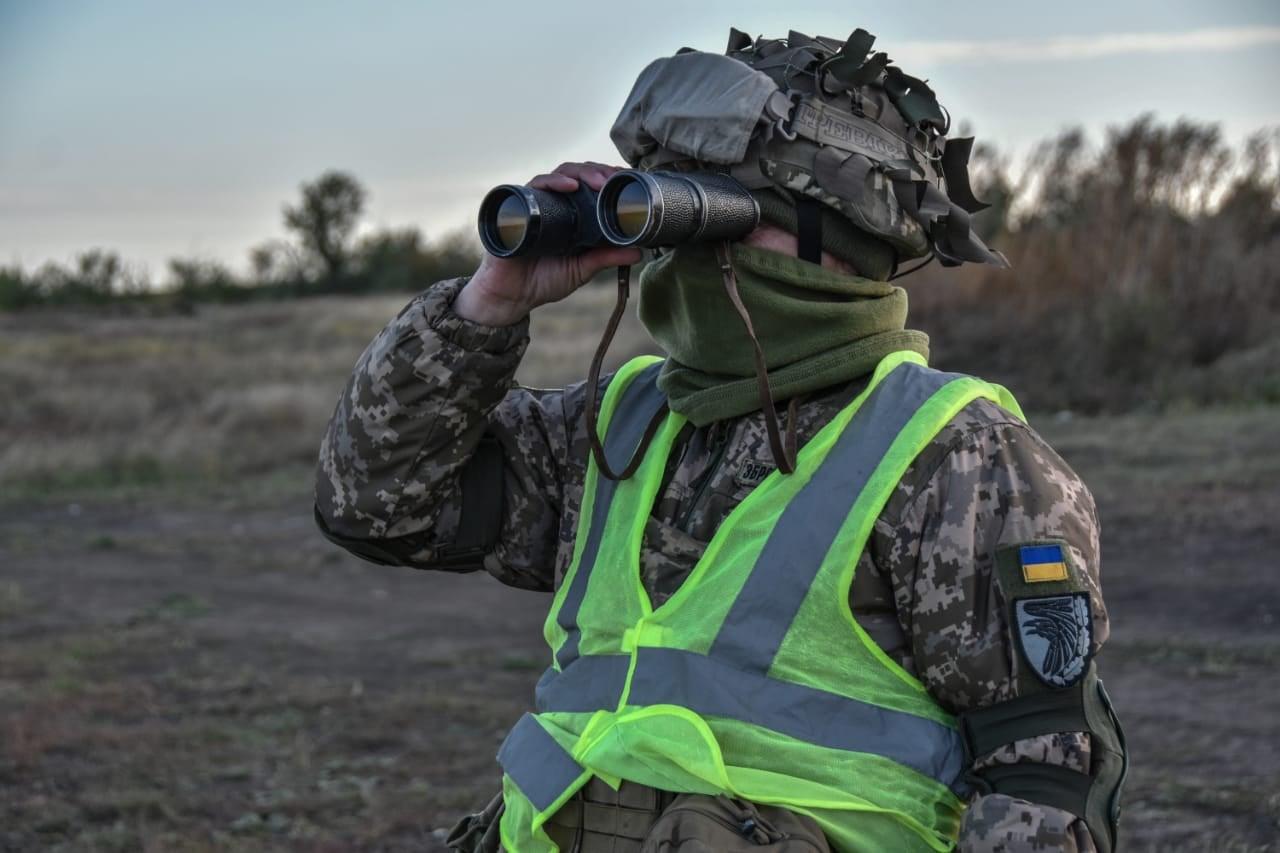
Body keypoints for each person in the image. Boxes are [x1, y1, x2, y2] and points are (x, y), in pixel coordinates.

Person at [315, 27, 1125, 853]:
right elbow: (376, 506)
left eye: (722, 209)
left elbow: (1045, 775)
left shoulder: (957, 456)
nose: (683, 246)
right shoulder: (621, 421)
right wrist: (487, 306)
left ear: (833, 231)